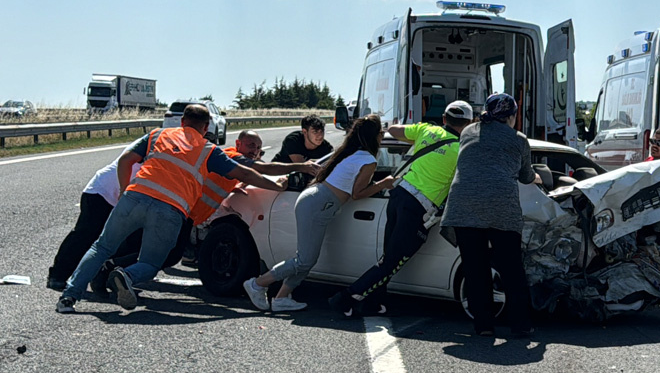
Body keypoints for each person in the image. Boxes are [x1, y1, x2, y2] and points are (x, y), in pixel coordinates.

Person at [56, 105, 286, 313]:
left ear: (182, 122)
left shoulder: (158, 135)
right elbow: (244, 173)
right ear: (206, 128)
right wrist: (274, 185)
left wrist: (126, 190)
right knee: (151, 262)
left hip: (135, 197)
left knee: (102, 247)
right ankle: (126, 275)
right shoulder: (209, 151)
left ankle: (68, 298)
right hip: (170, 209)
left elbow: (126, 159)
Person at [329, 101, 472, 318]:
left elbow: (394, 131)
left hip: (398, 195)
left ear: (444, 119)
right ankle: (345, 298)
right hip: (418, 207)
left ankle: (374, 303)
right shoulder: (462, 151)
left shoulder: (427, 130)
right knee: (391, 262)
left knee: (388, 257)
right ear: (469, 124)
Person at [243, 115, 393, 313]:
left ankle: (281, 298)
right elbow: (357, 194)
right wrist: (384, 184)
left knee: (306, 258)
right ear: (375, 136)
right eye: (381, 133)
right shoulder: (368, 160)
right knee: (305, 259)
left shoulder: (350, 152)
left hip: (315, 199)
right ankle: (257, 284)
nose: (382, 136)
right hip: (319, 204)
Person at [440, 93, 535, 338]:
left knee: (474, 267)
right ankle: (521, 325)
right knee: (511, 267)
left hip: (464, 204)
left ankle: (483, 326)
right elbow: (525, 176)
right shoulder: (519, 140)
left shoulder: (468, 132)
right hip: (500, 207)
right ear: (511, 116)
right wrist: (536, 176)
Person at [47, 134, 149, 290]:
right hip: (103, 191)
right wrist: (124, 191)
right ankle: (58, 275)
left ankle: (103, 274)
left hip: (127, 197)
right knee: (86, 234)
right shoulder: (154, 140)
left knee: (132, 238)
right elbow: (127, 160)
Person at [188, 130, 321, 226]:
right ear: (238, 143)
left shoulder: (230, 156)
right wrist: (300, 167)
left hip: (194, 214)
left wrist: (233, 188)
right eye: (251, 145)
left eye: (258, 148)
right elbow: (263, 169)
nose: (255, 151)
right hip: (189, 213)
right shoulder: (233, 156)